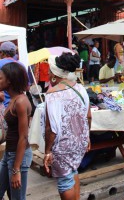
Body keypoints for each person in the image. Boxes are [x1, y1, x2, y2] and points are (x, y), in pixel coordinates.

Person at [43, 52, 91, 200]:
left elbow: (51, 129)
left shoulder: (52, 94)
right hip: (80, 141)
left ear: (54, 74)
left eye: (50, 70)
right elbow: (88, 116)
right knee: (73, 170)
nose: (48, 73)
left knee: (65, 179)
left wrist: (47, 151)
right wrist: (87, 137)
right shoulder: (81, 88)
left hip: (63, 145)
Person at [0, 62, 32, 200]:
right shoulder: (13, 99)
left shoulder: (20, 101)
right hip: (10, 154)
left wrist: (16, 169)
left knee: (17, 198)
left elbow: (23, 137)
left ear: (10, 81)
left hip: (19, 156)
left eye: (0, 78)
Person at [0, 42, 21, 108]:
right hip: (19, 104)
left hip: (3, 106)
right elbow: (27, 87)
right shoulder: (21, 65)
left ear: (2, 53)